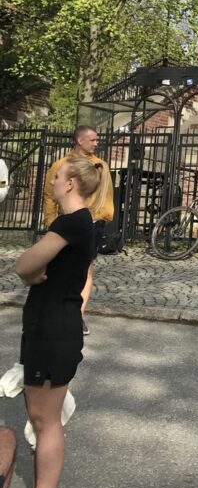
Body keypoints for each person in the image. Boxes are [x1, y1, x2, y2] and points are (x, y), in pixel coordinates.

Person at [3, 155, 106, 488]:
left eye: (57, 176)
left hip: (53, 332)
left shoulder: (71, 222)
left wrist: (31, 272)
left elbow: (24, 265)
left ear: (71, 185)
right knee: (41, 417)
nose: (52, 181)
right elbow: (41, 271)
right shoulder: (77, 224)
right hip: (49, 328)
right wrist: (33, 273)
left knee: (46, 423)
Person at [43, 126, 113, 336]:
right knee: (58, 267)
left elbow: (106, 193)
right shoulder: (62, 165)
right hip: (64, 221)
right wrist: (51, 222)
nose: (96, 143)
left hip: (92, 222)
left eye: (96, 139)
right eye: (92, 139)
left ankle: (77, 315)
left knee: (86, 268)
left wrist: (103, 215)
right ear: (79, 140)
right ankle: (56, 309)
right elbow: (49, 194)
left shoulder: (100, 165)